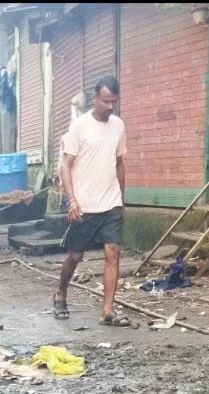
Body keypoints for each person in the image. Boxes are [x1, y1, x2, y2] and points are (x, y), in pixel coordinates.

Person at [54, 76, 128, 327]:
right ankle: (61, 292)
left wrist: (122, 199)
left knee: (113, 253)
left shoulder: (118, 125)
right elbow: (66, 166)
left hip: (111, 202)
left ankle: (107, 310)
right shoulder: (80, 127)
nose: (110, 107)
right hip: (84, 205)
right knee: (75, 256)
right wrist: (72, 200)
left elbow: (119, 163)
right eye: (106, 101)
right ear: (95, 98)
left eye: (114, 102)